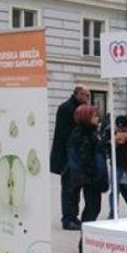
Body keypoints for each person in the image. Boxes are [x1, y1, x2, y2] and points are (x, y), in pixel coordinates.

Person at [67, 105, 108, 253]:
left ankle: (86, 241)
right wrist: (95, 177)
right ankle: (84, 242)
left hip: (90, 179)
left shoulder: (88, 133)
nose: (98, 118)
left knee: (92, 208)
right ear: (87, 117)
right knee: (92, 209)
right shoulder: (85, 135)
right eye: (95, 115)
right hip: (90, 179)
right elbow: (86, 160)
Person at [50, 85, 90, 230]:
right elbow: (66, 135)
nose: (88, 99)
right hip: (67, 157)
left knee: (75, 188)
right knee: (69, 189)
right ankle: (68, 218)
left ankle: (73, 216)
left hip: (74, 156)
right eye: (86, 95)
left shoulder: (76, 108)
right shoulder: (67, 109)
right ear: (78, 94)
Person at [102, 115, 127, 219]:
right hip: (116, 163)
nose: (121, 130)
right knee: (115, 189)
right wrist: (113, 142)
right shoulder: (109, 131)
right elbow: (103, 146)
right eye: (119, 128)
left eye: (123, 129)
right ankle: (113, 211)